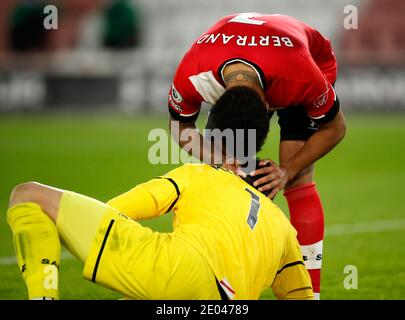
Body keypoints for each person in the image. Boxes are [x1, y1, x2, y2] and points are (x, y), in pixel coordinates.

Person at [7, 102, 313, 300]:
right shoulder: (284, 230)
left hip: (179, 267)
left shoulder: (203, 173)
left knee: (27, 194)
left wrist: (78, 236)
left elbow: (118, 209)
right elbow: (300, 294)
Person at [168, 13, 347, 299]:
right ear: (217, 99)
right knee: (223, 177)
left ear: (269, 105)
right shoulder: (192, 72)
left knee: (297, 180)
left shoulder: (301, 77)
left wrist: (287, 170)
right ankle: (216, 279)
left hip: (308, 56)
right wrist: (220, 160)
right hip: (248, 54)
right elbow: (180, 126)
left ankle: (310, 294)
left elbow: (336, 128)